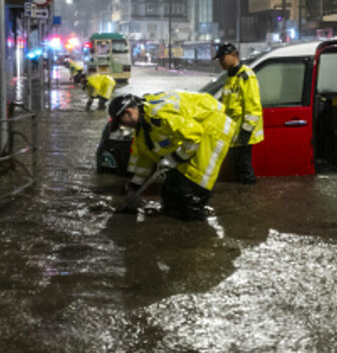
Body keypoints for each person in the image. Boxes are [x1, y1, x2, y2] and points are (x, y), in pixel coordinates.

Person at [108, 91, 235, 221]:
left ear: (128, 112)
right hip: (194, 136)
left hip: (213, 130)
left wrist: (174, 158)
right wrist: (135, 187)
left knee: (190, 190)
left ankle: (196, 225)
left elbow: (194, 135)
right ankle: (175, 222)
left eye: (121, 122)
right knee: (169, 193)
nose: (123, 126)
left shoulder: (158, 115)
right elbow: (144, 159)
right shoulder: (143, 125)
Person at [214, 43, 264, 184]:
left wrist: (246, 130)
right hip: (233, 134)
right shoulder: (230, 77)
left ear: (234, 55)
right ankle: (244, 199)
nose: (220, 62)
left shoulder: (246, 76)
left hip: (243, 133)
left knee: (244, 170)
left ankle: (248, 199)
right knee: (237, 170)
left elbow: (253, 107)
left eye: (223, 58)